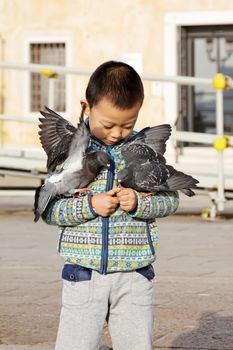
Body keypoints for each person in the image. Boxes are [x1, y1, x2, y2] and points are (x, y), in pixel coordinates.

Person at [43, 60, 179, 350]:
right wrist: (89, 205)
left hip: (135, 273)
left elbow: (171, 200)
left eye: (127, 124)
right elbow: (50, 210)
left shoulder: (141, 151)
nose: (117, 133)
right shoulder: (71, 154)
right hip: (82, 274)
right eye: (108, 124)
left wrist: (139, 203)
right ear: (87, 107)